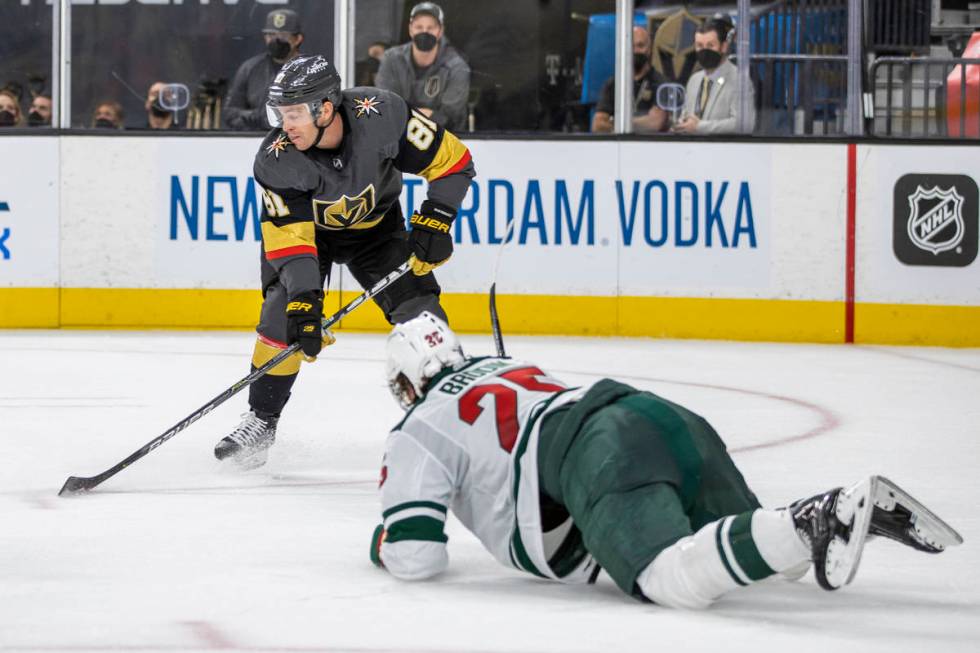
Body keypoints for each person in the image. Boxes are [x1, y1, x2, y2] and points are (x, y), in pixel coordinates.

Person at [369, 313, 962, 608]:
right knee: (778, 566)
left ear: (405, 381)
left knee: (668, 578)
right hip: (651, 410)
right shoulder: (508, 366)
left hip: (594, 452)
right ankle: (842, 518)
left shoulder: (415, 427)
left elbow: (416, 556)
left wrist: (382, 543)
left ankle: (817, 516)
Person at [213, 55, 476, 469]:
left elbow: (454, 161)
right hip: (310, 241)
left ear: (326, 107)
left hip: (377, 231)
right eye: (280, 114)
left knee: (420, 312)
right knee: (283, 316)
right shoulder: (275, 158)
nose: (286, 125)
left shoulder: (384, 113)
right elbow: (289, 241)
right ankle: (261, 420)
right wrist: (303, 299)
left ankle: (452, 414)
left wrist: (437, 217)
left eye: (295, 113)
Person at [375, 2, 470, 132]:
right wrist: (426, 114)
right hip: (399, 138)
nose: (424, 32)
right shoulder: (391, 59)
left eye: (430, 27)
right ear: (410, 29)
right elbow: (386, 106)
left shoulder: (457, 67)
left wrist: (408, 114)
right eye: (419, 27)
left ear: (440, 31)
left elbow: (450, 117)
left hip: (445, 140)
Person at [223, 8, 304, 131]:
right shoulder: (250, 68)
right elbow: (230, 113)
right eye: (271, 35)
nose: (276, 40)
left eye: (283, 35)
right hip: (255, 141)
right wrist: (256, 117)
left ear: (297, 39)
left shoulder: (311, 70)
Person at [673, 18, 755, 135]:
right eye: (699, 46)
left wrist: (700, 127)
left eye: (710, 45)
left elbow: (744, 124)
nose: (704, 50)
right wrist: (681, 123)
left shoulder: (739, 80)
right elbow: (686, 115)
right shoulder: (694, 80)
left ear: (724, 47)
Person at [592, 26, 668, 134]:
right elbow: (597, 125)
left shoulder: (661, 84)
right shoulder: (613, 84)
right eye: (631, 46)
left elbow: (656, 123)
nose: (635, 51)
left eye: (640, 45)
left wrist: (614, 122)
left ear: (649, 49)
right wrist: (643, 121)